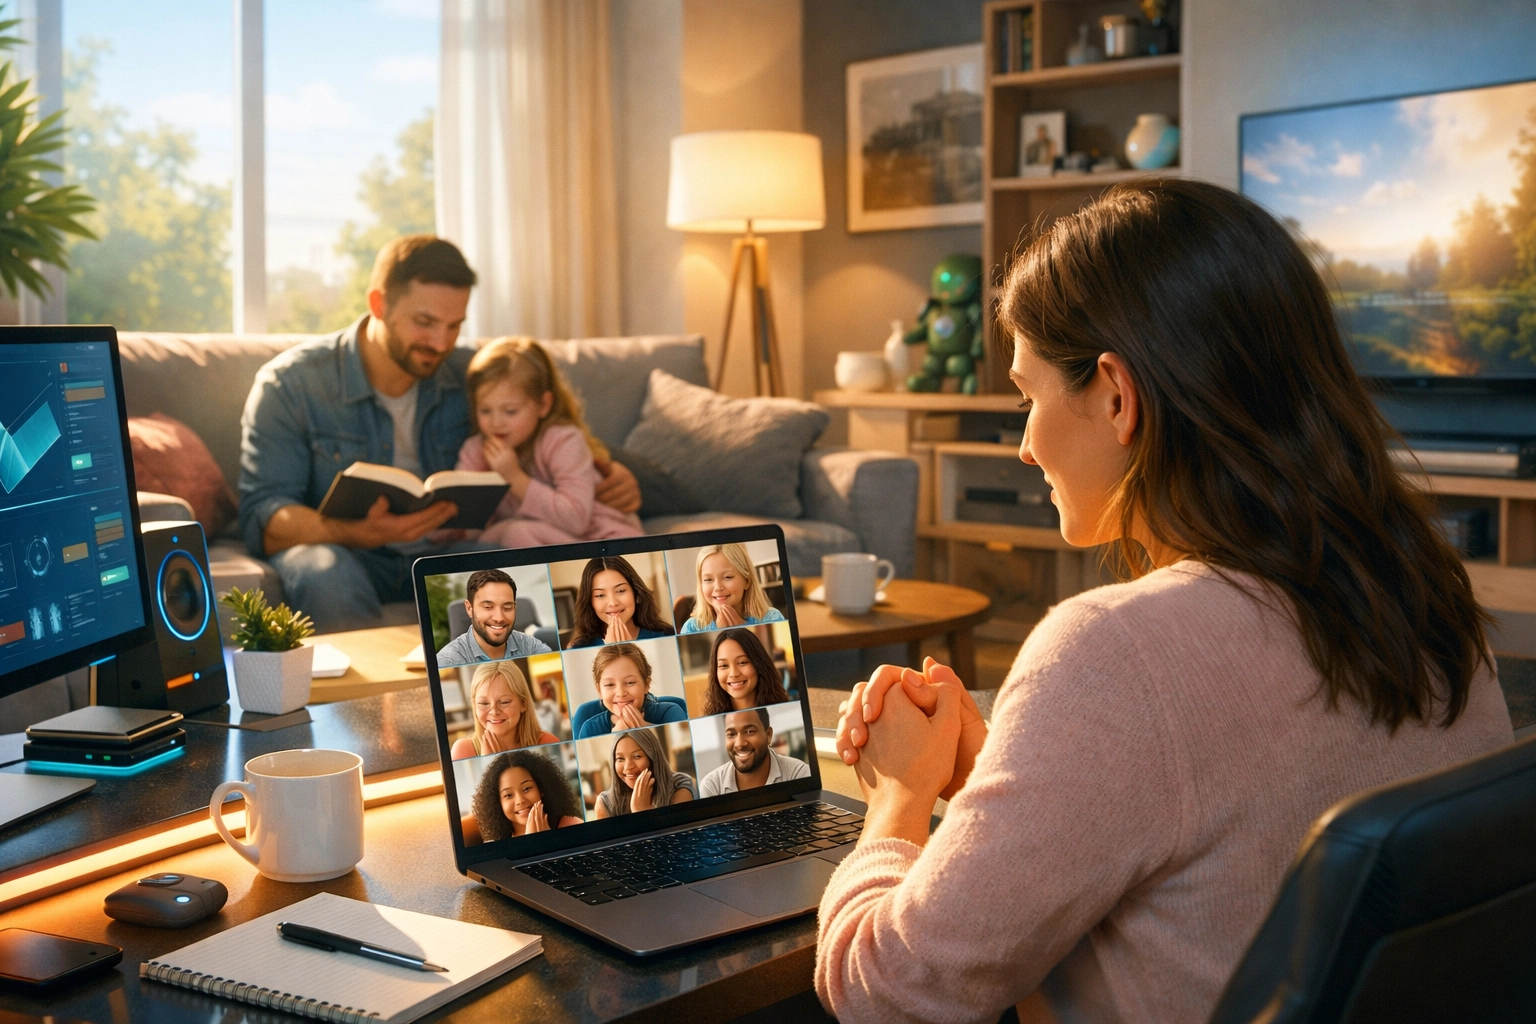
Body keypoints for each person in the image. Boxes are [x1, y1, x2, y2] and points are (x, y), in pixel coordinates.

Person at [818, 179, 1514, 1024]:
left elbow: (889, 993)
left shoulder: (1115, 650)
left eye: (1029, 395)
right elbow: (1219, 815)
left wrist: (898, 793)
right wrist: (999, 778)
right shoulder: (1424, 596)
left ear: (1117, 394)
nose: (1028, 445)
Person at [238, 235, 640, 632]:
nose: (441, 342)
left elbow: (555, 431)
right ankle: (360, 699)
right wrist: (355, 532)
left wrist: (618, 473)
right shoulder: (291, 385)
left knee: (519, 562)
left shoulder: (469, 373)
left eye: (455, 326)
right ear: (379, 304)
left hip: (445, 550)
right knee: (323, 572)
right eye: (425, 322)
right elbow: (265, 514)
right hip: (346, 553)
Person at [458, 337, 644, 548]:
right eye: (485, 410)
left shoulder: (563, 440)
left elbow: (576, 520)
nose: (496, 423)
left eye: (510, 411)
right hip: (544, 540)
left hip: (601, 538)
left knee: (515, 533)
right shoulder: (476, 450)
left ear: (543, 404)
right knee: (493, 539)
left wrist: (514, 478)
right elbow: (466, 531)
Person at [436, 568, 551, 667]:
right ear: (469, 608)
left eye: (507, 608)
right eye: (488, 607)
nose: (499, 617)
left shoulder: (531, 647)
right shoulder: (448, 661)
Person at [449, 660, 559, 760]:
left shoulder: (548, 742)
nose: (494, 711)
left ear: (523, 703)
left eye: (504, 702)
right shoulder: (462, 751)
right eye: (484, 703)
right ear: (474, 706)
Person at [575, 643, 687, 739]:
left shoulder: (670, 713)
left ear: (646, 684)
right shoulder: (590, 729)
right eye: (610, 684)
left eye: (630, 682)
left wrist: (643, 727)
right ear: (599, 690)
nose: (621, 693)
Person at [471, 749, 584, 841]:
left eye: (527, 788)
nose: (520, 800)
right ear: (497, 802)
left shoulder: (572, 826)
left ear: (541, 788)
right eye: (508, 795)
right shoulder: (497, 846)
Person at [566, 556, 676, 649]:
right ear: (590, 602)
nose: (613, 603)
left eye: (620, 591)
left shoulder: (666, 636)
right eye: (600, 595)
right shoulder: (579, 648)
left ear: (636, 594)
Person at [697, 708, 808, 797]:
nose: (739, 744)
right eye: (731, 734)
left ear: (768, 735)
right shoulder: (712, 786)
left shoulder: (798, 774)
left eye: (750, 731)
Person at [678, 544, 785, 634]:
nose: (718, 587)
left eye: (728, 577)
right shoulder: (691, 628)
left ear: (747, 581)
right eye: (708, 579)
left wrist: (742, 627)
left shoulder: (772, 618)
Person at [593, 728, 696, 818]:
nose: (628, 766)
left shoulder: (679, 786)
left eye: (637, 756)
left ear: (652, 758)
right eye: (620, 758)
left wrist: (642, 811)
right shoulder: (605, 803)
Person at [702, 628, 791, 716]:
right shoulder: (710, 718)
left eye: (742, 662)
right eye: (724, 665)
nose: (733, 674)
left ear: (759, 664)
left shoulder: (786, 711)